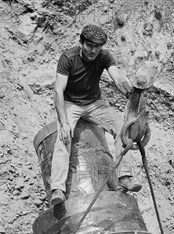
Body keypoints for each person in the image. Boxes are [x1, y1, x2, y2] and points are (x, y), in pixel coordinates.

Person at [49, 24, 141, 208]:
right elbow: (58, 91)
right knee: (64, 138)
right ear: (82, 43)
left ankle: (124, 177)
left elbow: (117, 78)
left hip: (94, 103)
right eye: (89, 45)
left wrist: (131, 92)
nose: (93, 50)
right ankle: (57, 189)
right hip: (71, 103)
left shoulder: (104, 57)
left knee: (121, 128)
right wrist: (64, 122)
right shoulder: (68, 58)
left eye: (97, 47)